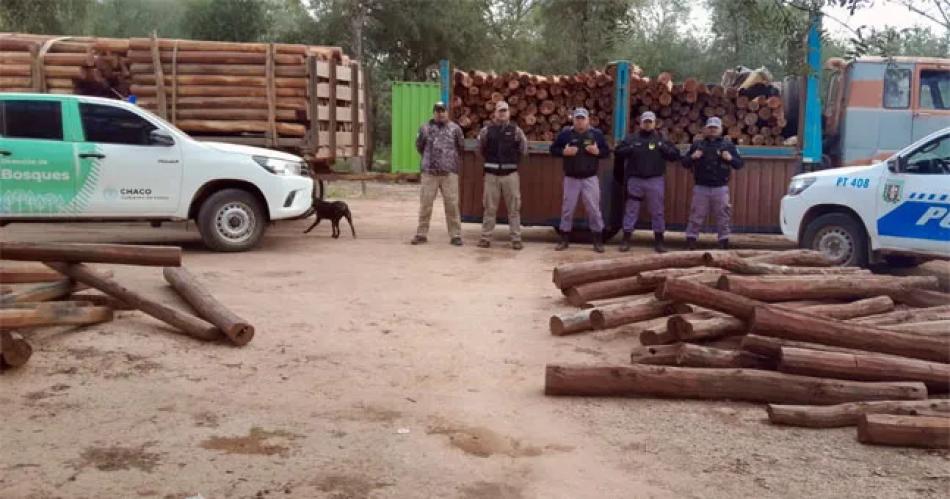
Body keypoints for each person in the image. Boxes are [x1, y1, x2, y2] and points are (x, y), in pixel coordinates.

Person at [614, 111, 681, 253]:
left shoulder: (660, 139)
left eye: (650, 122)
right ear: (641, 123)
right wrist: (630, 149)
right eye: (645, 121)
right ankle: (625, 240)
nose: (647, 124)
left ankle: (659, 242)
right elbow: (618, 152)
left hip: (655, 180)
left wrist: (663, 147)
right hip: (635, 180)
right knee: (631, 210)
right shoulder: (632, 139)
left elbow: (675, 155)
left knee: (657, 212)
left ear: (655, 123)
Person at [549, 108, 611, 253]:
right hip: (571, 178)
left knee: (594, 210)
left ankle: (598, 240)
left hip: (590, 178)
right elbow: (553, 149)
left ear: (588, 120)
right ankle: (564, 240)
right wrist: (563, 152)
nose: (580, 121)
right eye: (577, 118)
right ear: (573, 120)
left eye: (582, 118)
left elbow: (606, 152)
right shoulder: (565, 134)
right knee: (567, 209)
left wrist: (598, 152)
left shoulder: (596, 134)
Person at [681, 116, 744, 250]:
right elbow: (684, 163)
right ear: (705, 129)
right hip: (701, 187)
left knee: (723, 216)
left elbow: (739, 164)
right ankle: (691, 240)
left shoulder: (728, 145)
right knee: (696, 215)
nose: (713, 130)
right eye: (710, 127)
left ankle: (723, 242)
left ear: (721, 129)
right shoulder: (697, 145)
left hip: (720, 187)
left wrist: (730, 158)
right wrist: (693, 156)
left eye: (715, 128)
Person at [411, 101, 465, 246]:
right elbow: (419, 146)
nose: (440, 113)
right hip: (429, 173)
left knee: (452, 205)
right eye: (437, 110)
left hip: (449, 173)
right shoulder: (425, 129)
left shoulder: (456, 129)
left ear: (447, 112)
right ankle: (421, 234)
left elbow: (461, 147)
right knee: (425, 204)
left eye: (443, 110)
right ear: (433, 112)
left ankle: (455, 235)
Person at [476, 101, 528, 250]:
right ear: (495, 113)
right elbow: (479, 150)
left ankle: (516, 239)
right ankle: (485, 238)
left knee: (514, 208)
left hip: (510, 175)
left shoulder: (516, 131)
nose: (502, 113)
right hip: (491, 175)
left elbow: (523, 150)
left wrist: (512, 162)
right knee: (489, 208)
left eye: (505, 111)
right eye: (500, 111)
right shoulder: (486, 131)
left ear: (509, 113)